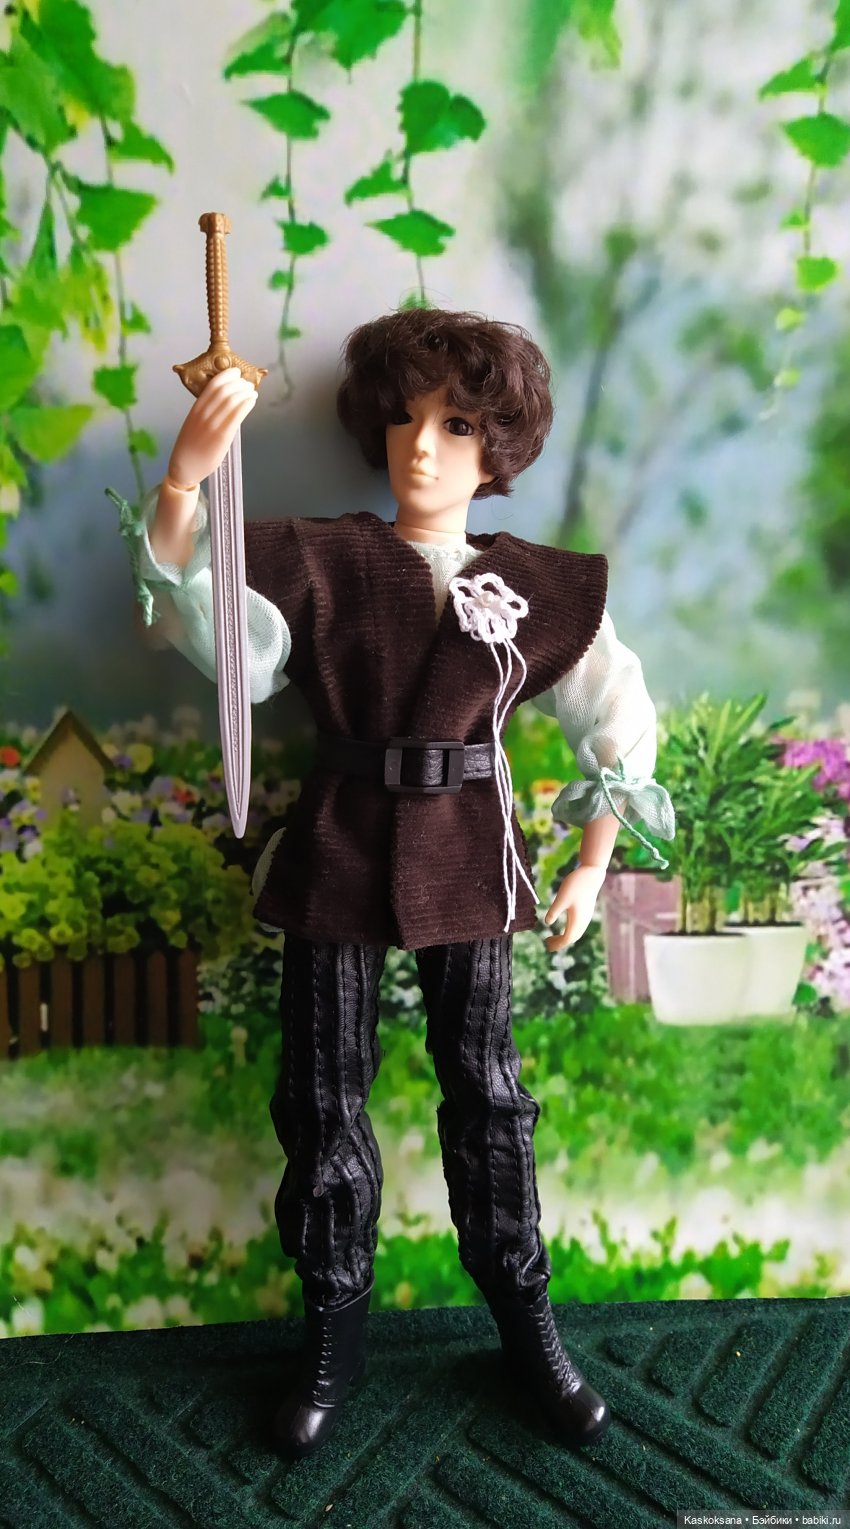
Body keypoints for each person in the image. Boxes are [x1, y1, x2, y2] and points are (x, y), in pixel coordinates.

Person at [130, 308, 674, 1457]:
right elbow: (216, 630)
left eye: (458, 424)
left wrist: (590, 863)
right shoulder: (319, 557)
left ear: (497, 446)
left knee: (488, 1091)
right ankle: (334, 1324)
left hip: (467, 848)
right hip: (339, 839)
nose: (424, 445)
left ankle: (525, 1318)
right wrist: (185, 477)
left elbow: (617, 719)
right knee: (322, 1092)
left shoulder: (537, 584)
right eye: (407, 418)